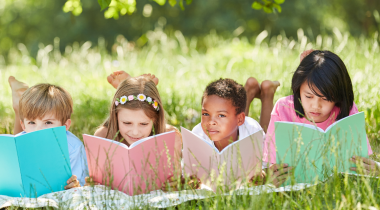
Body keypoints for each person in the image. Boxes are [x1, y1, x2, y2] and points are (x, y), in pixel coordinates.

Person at [264, 50, 378, 187]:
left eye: (325, 98)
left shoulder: (347, 109)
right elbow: (269, 164)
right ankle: (266, 94)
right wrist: (271, 176)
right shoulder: (283, 108)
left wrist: (375, 169)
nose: (316, 106)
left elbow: (363, 160)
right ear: (298, 89)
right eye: (308, 96)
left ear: (338, 96)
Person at [86, 75, 183, 191]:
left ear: (155, 119)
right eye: (127, 123)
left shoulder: (172, 137)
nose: (135, 132)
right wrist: (93, 185)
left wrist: (175, 184)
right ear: (115, 116)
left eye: (143, 124)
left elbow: (176, 182)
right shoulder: (103, 137)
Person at [8, 77, 88, 188]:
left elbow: (80, 182)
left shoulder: (74, 147)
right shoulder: (17, 144)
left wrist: (75, 185)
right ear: (23, 126)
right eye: (32, 123)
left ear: (65, 126)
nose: (38, 130)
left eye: (48, 122)